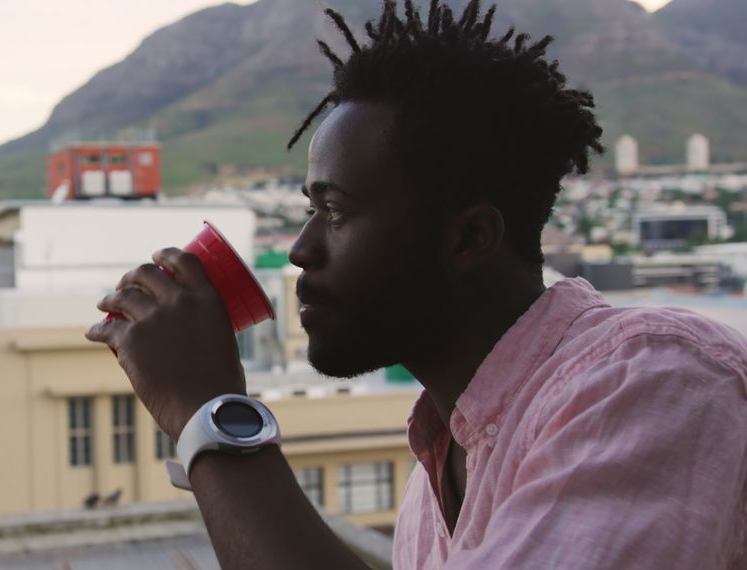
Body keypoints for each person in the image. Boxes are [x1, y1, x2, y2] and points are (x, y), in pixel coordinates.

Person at [86, 0, 747, 568]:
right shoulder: (433, 487)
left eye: (337, 211)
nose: (300, 250)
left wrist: (211, 414)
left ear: (469, 238)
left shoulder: (654, 384)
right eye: (309, 211)